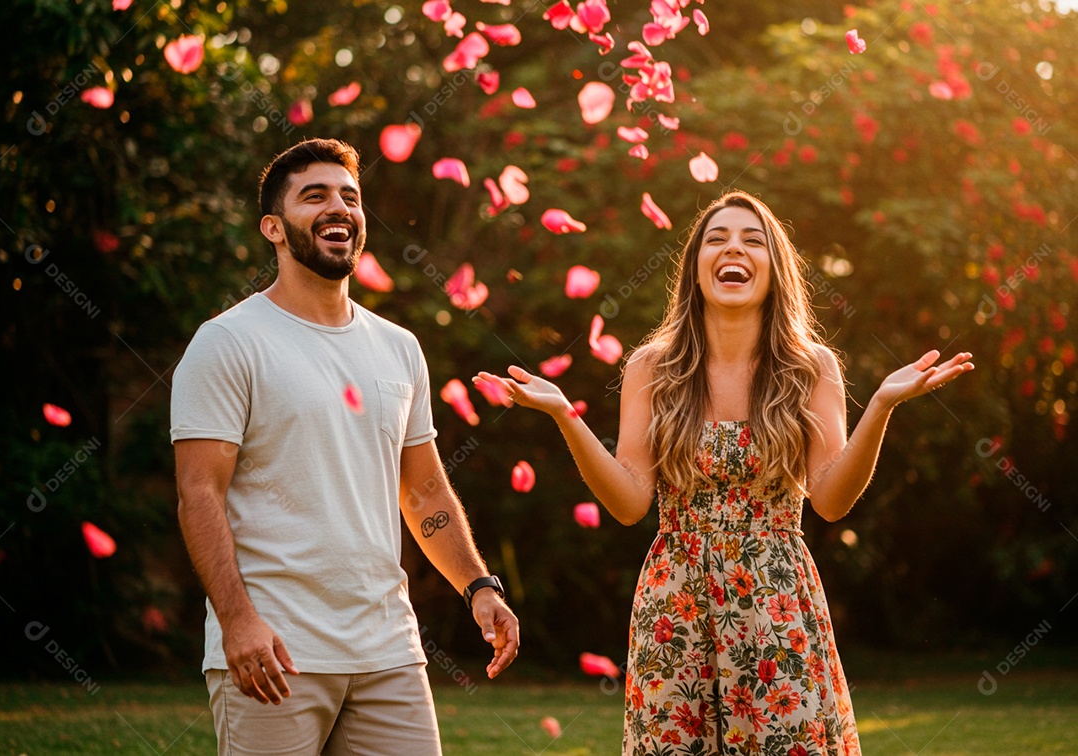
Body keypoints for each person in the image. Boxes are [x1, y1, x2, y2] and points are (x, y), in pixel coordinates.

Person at [475, 190, 973, 755]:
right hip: (676, 608)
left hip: (775, 602)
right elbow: (630, 503)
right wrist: (565, 414)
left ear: (774, 269)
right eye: (717, 239)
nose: (733, 248)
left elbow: (832, 501)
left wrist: (881, 405)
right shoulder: (652, 368)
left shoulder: (810, 368)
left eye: (752, 240)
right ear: (695, 268)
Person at [171, 137, 518, 756]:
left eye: (350, 197)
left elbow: (424, 491)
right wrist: (238, 622)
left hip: (389, 651)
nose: (339, 208)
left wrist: (478, 585)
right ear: (273, 228)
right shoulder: (229, 342)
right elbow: (199, 493)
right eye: (315, 196)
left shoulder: (399, 347)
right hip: (275, 651)